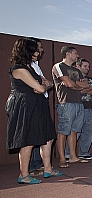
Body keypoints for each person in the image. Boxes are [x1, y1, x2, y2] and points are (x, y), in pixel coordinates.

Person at [7, 38, 61, 184]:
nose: (38, 52)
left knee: (48, 137)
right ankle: (23, 175)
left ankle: (47, 169)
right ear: (27, 51)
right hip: (27, 106)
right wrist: (41, 86)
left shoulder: (30, 68)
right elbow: (41, 87)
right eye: (35, 50)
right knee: (28, 140)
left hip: (38, 104)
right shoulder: (18, 69)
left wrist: (41, 85)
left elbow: (46, 84)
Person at [52, 46, 90, 167]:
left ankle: (73, 157)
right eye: (75, 53)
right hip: (65, 103)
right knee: (63, 131)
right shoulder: (59, 66)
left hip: (79, 103)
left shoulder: (77, 70)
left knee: (74, 131)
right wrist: (74, 84)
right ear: (68, 54)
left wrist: (74, 85)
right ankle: (62, 159)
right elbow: (68, 83)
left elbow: (86, 85)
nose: (77, 56)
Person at [65, 58, 92, 161]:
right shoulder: (74, 78)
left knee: (88, 131)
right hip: (79, 108)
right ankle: (68, 153)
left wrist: (85, 89)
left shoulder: (91, 79)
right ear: (78, 66)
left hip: (90, 108)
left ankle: (84, 152)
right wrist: (89, 89)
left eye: (88, 66)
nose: (87, 68)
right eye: (85, 66)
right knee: (76, 131)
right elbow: (78, 91)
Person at [28, 37, 48, 175]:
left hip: (41, 101)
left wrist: (45, 84)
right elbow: (40, 86)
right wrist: (44, 84)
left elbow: (47, 83)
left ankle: (38, 164)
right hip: (32, 102)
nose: (41, 50)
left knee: (42, 135)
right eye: (39, 47)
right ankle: (32, 167)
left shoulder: (36, 65)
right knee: (32, 135)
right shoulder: (26, 66)